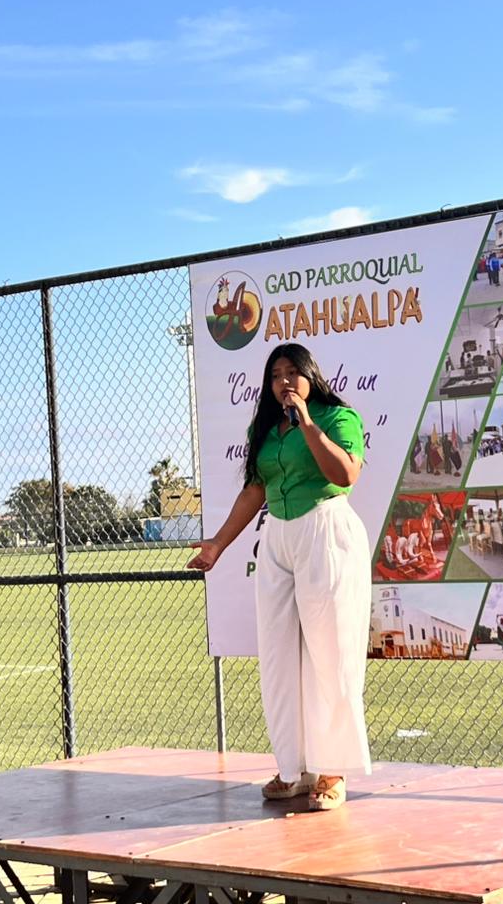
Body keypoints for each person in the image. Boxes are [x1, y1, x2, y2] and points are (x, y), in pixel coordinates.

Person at [189, 343, 369, 812]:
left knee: (331, 653)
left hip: (326, 530)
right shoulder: (265, 429)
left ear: (311, 376)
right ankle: (295, 768)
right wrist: (218, 544)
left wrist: (306, 422)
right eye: (275, 375)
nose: (284, 381)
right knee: (278, 657)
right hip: (277, 538)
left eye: (292, 372)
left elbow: (345, 474)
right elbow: (256, 489)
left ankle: (333, 769)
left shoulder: (337, 417)